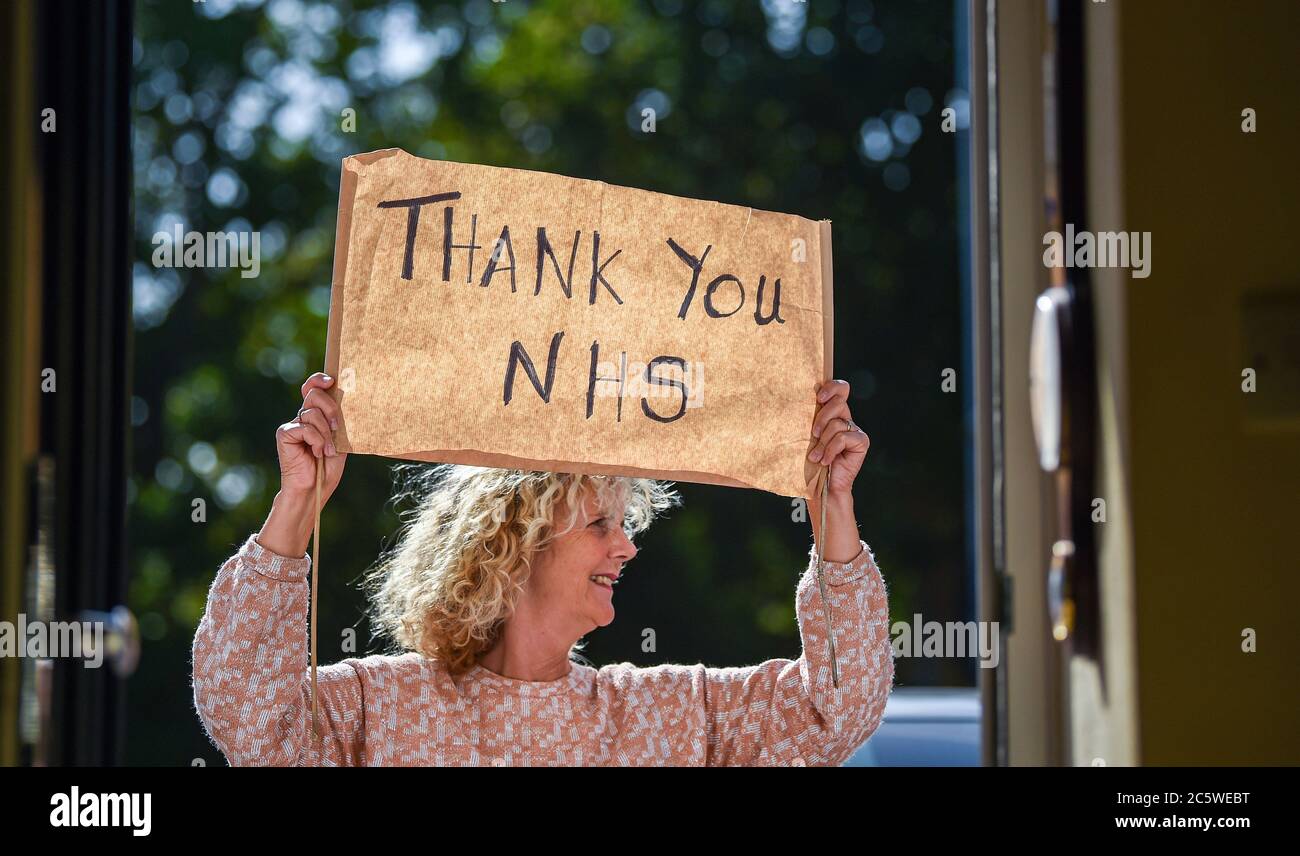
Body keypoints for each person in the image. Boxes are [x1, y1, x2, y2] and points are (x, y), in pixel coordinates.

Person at [191, 372, 894, 766]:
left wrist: (832, 506)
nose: (627, 548)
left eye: (625, 526)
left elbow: (835, 710)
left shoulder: (664, 716)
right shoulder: (382, 706)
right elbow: (247, 719)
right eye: (599, 525)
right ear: (513, 541)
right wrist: (297, 504)